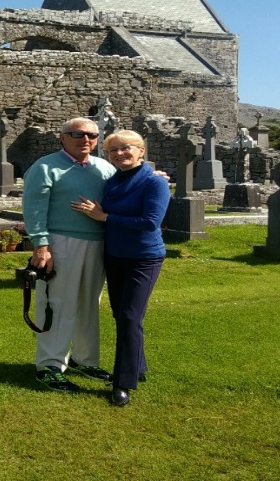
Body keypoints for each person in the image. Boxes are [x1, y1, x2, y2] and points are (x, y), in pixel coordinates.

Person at [74, 130, 169, 407]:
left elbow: (150, 222)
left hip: (143, 258)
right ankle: (137, 367)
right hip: (115, 255)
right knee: (122, 315)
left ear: (141, 151)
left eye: (126, 148)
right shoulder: (113, 180)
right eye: (113, 150)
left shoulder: (154, 183)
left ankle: (122, 382)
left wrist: (104, 217)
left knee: (129, 316)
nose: (119, 154)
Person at [22, 117, 116, 392]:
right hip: (60, 243)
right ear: (62, 137)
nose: (84, 139)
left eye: (91, 135)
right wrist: (41, 245)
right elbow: (34, 208)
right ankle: (50, 365)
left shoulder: (104, 168)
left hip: (98, 243)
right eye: (77, 134)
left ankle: (85, 359)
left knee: (89, 304)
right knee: (57, 304)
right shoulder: (45, 167)